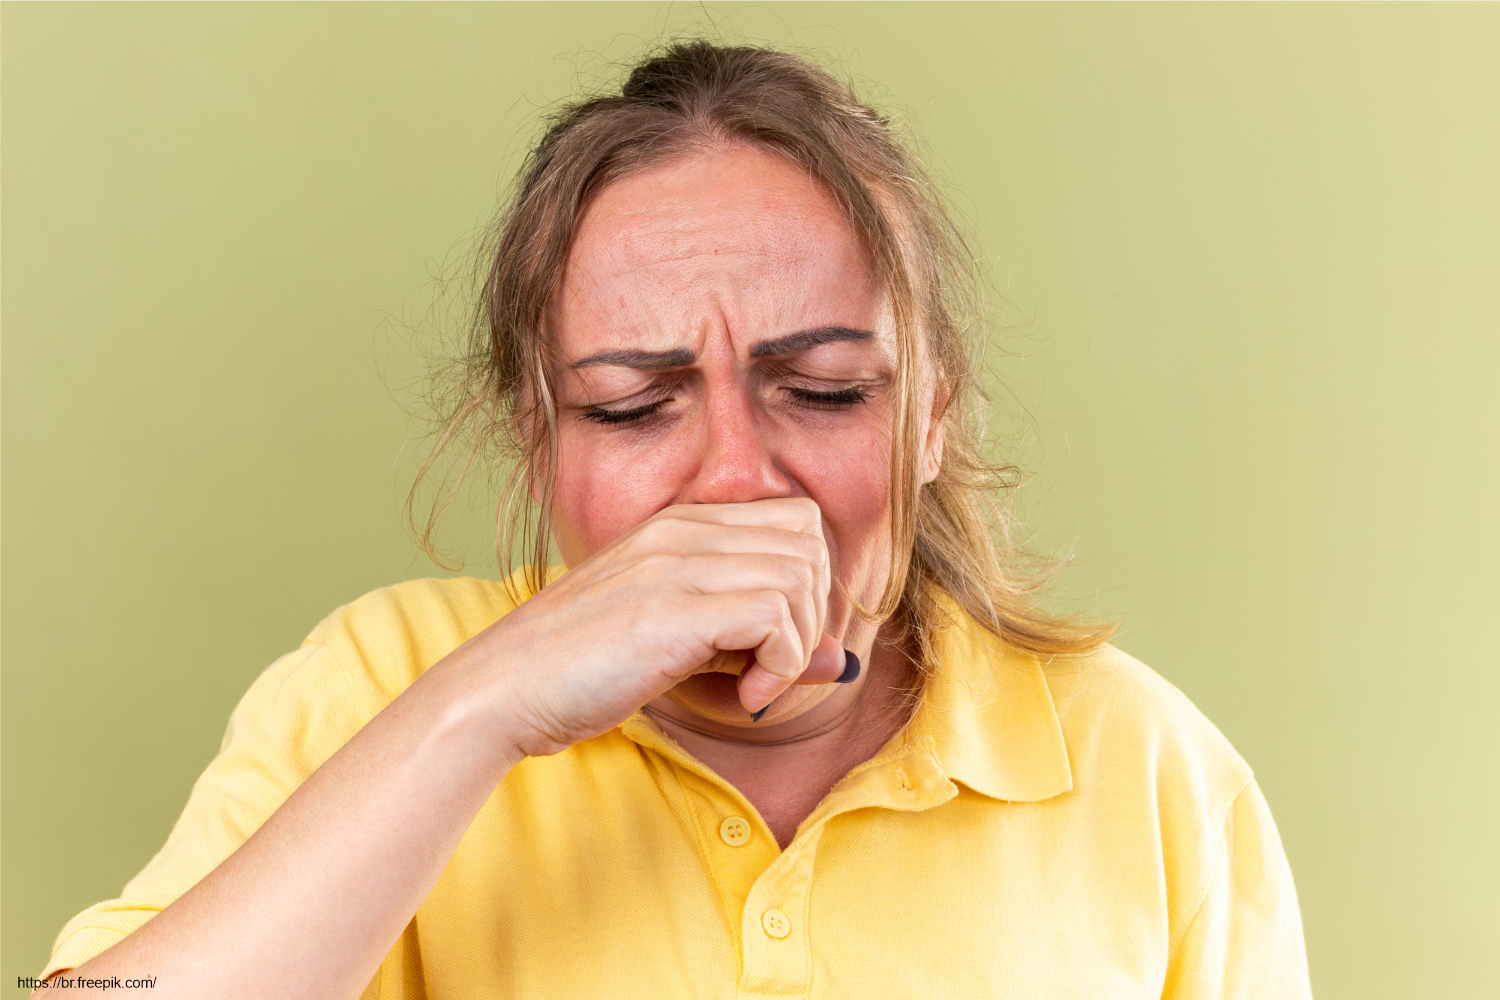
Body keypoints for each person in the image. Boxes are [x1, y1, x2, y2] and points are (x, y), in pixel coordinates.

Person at [34, 40, 1312, 999]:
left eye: (823, 391)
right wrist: (488, 706)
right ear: (538, 443)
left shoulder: (1152, 773)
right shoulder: (373, 684)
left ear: (931, 420)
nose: (735, 479)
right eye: (634, 407)